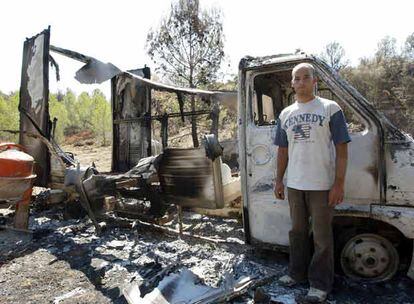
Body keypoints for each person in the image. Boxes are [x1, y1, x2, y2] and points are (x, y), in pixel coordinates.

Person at [274, 62, 351, 303]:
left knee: (321, 237)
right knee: (297, 233)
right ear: (292, 83)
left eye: (305, 77)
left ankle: (319, 285)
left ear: (314, 81)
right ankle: (297, 273)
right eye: (296, 79)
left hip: (321, 185)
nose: (300, 82)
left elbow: (342, 149)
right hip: (295, 185)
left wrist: (338, 184)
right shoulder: (285, 114)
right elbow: (283, 152)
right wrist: (279, 180)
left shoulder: (330, 108)